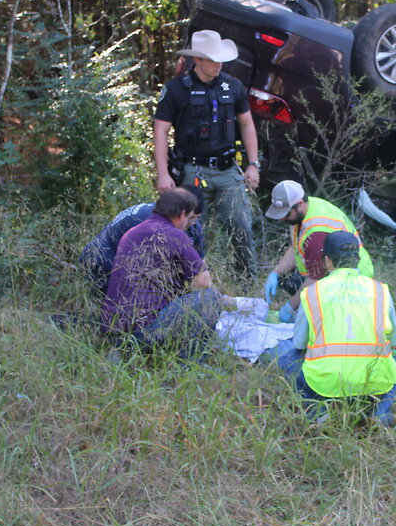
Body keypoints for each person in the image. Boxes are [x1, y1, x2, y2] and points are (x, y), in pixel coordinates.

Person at [153, 30, 261, 281]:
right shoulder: (176, 89)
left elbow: (246, 124)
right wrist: (163, 174)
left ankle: (248, 282)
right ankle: (186, 284)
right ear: (197, 60)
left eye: (220, 58)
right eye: (211, 58)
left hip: (227, 171)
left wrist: (253, 165)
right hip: (192, 171)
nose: (218, 63)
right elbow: (161, 130)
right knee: (189, 230)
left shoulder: (232, 86)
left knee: (241, 226)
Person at [269, 231, 396, 426]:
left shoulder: (312, 293)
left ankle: (318, 413)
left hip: (325, 382)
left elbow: (299, 343)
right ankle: (381, 414)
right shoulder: (380, 290)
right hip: (373, 380)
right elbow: (394, 341)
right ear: (358, 259)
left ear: (327, 260)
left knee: (288, 359)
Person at [100, 187, 226, 359]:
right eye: (190, 218)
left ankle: (124, 348)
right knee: (211, 298)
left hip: (115, 326)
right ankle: (188, 362)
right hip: (147, 329)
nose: (190, 224)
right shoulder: (175, 235)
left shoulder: (133, 232)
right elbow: (203, 283)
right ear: (182, 214)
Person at [262, 179, 375, 324]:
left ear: (300, 204)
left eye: (286, 214)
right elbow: (295, 246)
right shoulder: (304, 211)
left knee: (331, 321)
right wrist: (276, 273)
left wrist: (290, 307)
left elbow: (315, 278)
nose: (282, 218)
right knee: (288, 281)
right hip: (328, 269)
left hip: (352, 277)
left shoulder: (316, 233)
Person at [79, 187, 207, 297]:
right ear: (181, 211)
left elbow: (199, 269)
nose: (191, 223)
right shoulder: (150, 222)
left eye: (195, 218)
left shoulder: (192, 227)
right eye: (189, 217)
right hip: (102, 261)